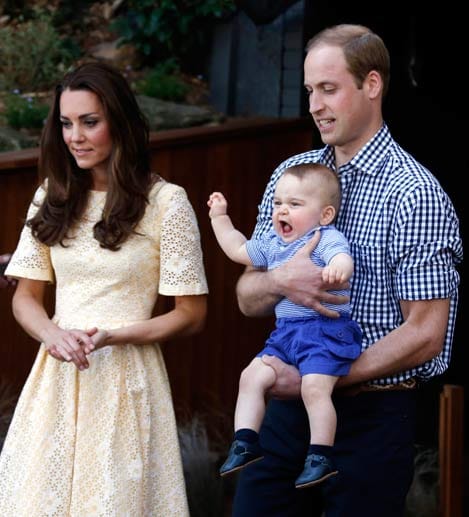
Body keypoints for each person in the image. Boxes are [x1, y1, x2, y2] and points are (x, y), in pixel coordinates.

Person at [232, 23, 463, 517]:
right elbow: (247, 296)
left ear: (372, 85)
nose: (315, 104)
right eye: (310, 90)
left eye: (329, 89)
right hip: (287, 412)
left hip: (372, 418)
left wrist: (324, 377)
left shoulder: (415, 193)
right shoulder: (290, 177)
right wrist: (277, 280)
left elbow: (426, 333)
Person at [0, 61, 208, 516]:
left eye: (89, 122)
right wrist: (53, 334)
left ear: (122, 122)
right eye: (66, 123)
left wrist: (114, 335)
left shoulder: (166, 204)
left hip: (126, 379)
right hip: (56, 376)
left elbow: (191, 314)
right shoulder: (51, 195)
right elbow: (25, 297)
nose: (75, 136)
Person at [208, 163, 362, 488]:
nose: (282, 211)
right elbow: (237, 249)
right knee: (251, 376)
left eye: (294, 204)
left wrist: (338, 269)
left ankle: (320, 454)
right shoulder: (274, 244)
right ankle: (245, 441)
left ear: (325, 215)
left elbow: (342, 257)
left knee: (314, 388)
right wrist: (219, 218)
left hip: (324, 331)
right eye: (278, 203)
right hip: (286, 336)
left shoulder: (325, 238)